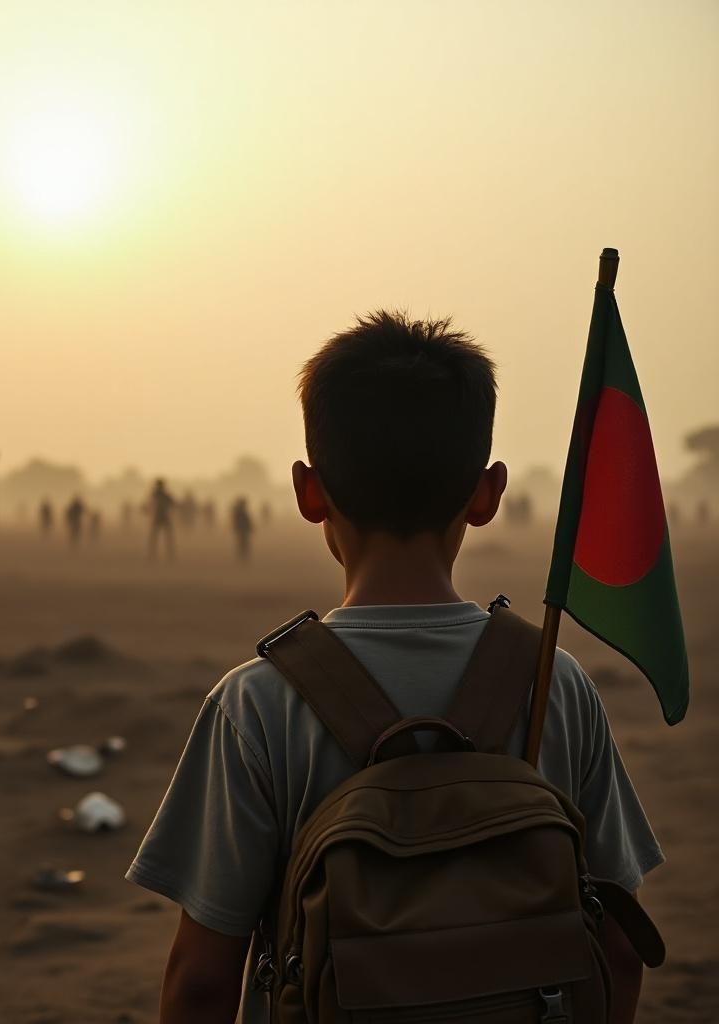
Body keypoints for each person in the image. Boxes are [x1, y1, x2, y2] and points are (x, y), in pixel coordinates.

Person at [126, 311, 661, 1024]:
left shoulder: (257, 705)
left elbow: (200, 980)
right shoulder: (555, 684)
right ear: (487, 494)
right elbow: (621, 947)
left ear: (308, 492)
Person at [147, 478, 177, 560]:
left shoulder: (155, 494)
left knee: (157, 537)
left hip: (160, 517)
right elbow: (173, 503)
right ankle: (168, 555)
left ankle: (154, 555)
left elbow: (149, 505)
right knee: (164, 537)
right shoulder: (162, 494)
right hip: (162, 517)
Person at [230, 496, 254, 561]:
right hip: (242, 528)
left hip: (242, 528)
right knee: (243, 542)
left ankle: (242, 555)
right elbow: (243, 520)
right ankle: (243, 555)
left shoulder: (239, 510)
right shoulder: (240, 510)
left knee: (242, 541)